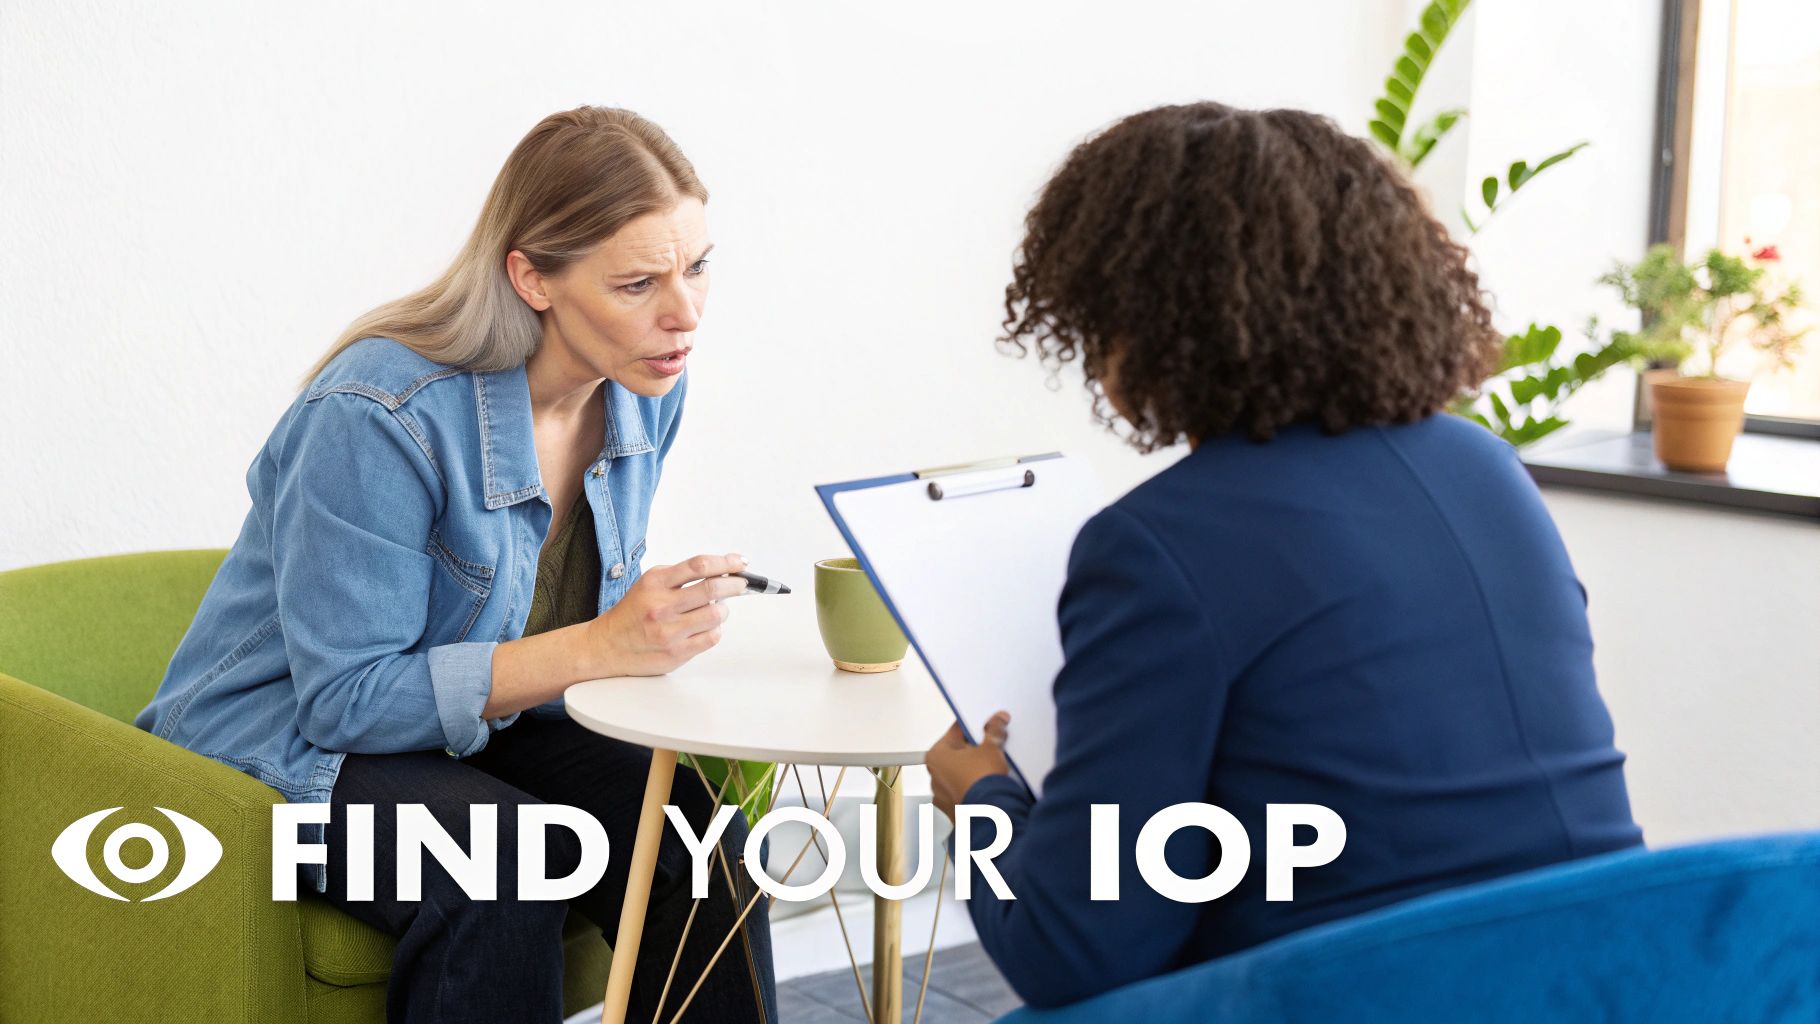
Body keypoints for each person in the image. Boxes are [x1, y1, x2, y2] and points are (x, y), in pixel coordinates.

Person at [923, 101, 1644, 1009]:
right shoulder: (1483, 467)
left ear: (1139, 315)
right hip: (1616, 971)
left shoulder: (1160, 542)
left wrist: (986, 805)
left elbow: (1074, 953)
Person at [134, 106, 776, 1023]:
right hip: (285, 746)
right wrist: (602, 645)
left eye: (698, 266)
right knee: (504, 861)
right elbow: (344, 700)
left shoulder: (645, 389)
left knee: (700, 842)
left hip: (482, 725)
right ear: (532, 277)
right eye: (638, 283)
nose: (685, 314)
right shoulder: (378, 414)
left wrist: (644, 641)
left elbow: (535, 633)